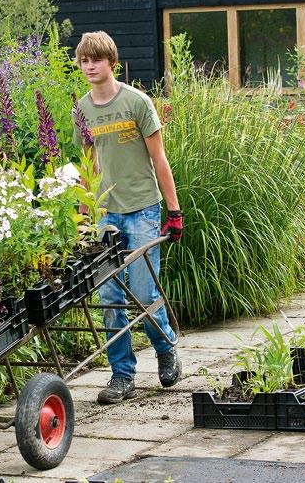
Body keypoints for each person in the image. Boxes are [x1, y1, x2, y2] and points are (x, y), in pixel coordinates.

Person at [71, 31, 183, 404]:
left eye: (96, 60)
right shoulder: (82, 110)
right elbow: (89, 164)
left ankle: (166, 348)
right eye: (84, 60)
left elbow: (159, 158)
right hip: (107, 213)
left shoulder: (137, 102)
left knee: (143, 291)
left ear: (111, 63)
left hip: (143, 208)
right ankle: (122, 375)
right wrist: (87, 218)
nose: (90, 66)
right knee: (109, 297)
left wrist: (174, 209)